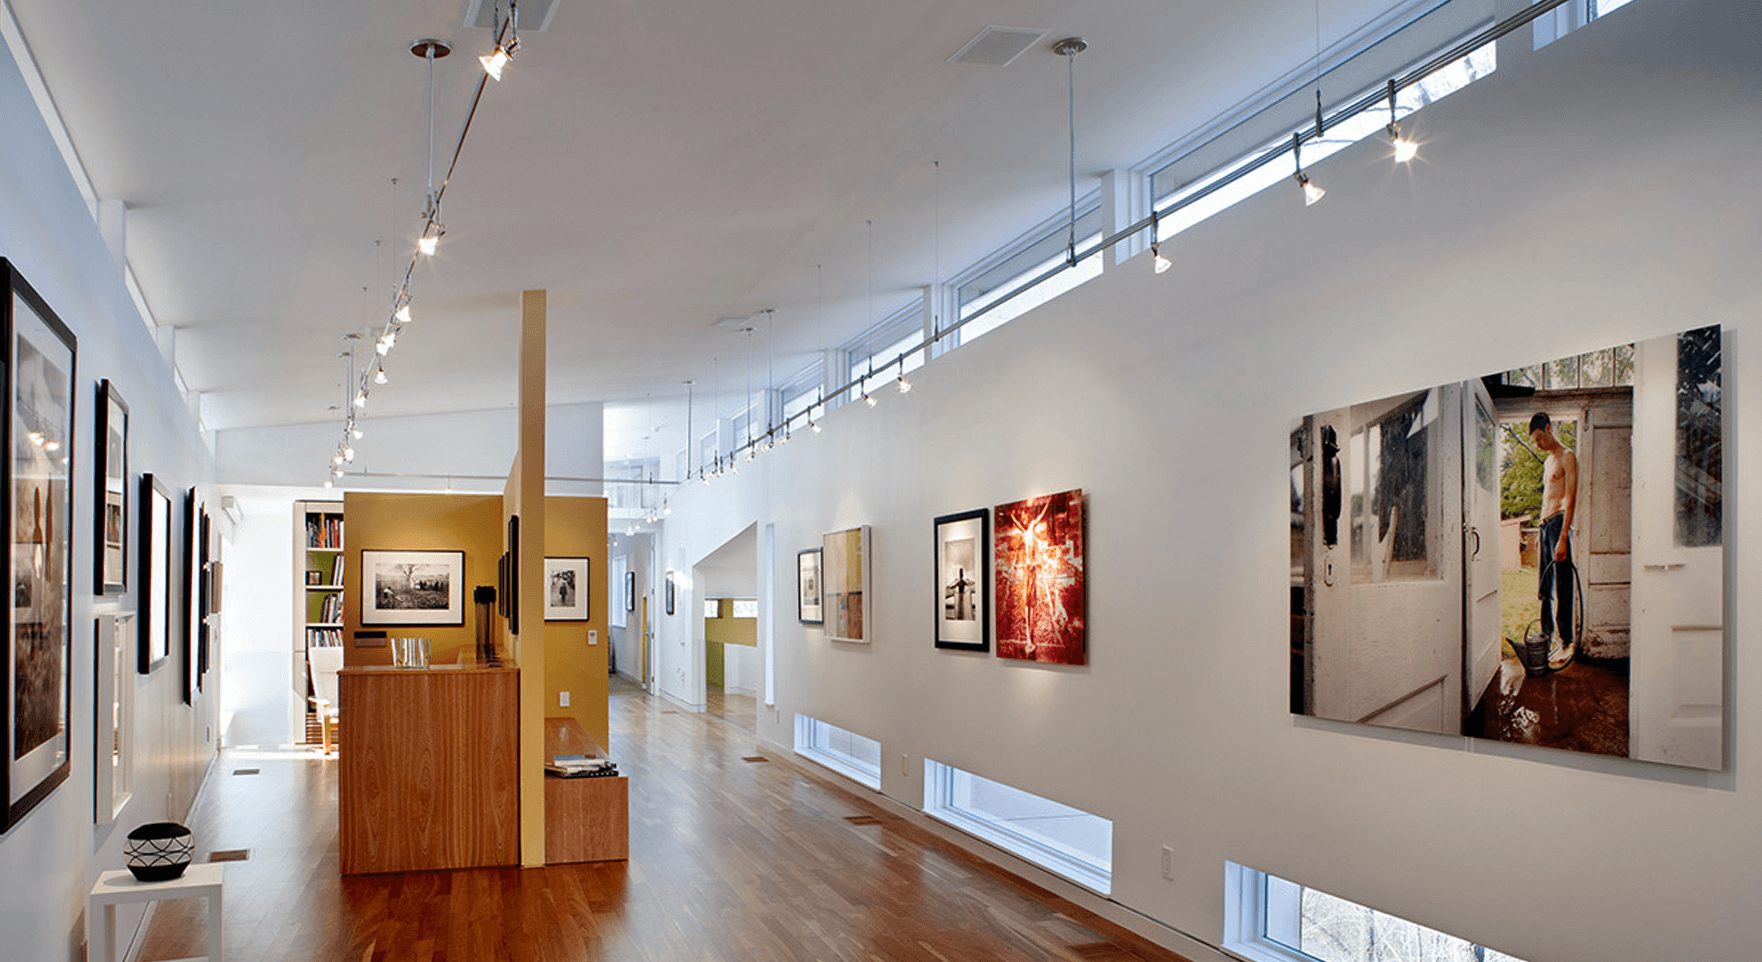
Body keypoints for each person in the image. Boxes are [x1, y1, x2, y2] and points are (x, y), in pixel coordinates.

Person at [1529, 412, 1578, 669]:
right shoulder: (1548, 462)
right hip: (1544, 525)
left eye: (1539, 438)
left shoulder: (1567, 456)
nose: (1538, 444)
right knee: (1544, 587)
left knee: (1563, 586)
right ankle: (1546, 639)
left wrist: (1562, 538)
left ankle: (1565, 642)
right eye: (1535, 441)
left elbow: (1569, 499)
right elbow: (1546, 498)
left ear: (1548, 428)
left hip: (1559, 523)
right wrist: (1539, 531)